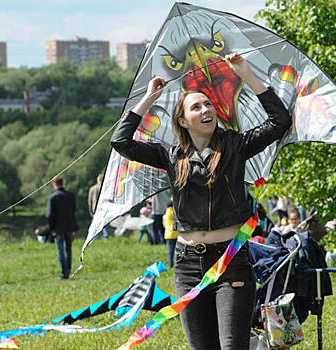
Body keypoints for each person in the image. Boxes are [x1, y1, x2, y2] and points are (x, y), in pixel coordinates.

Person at [111, 53, 291, 350]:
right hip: (187, 264)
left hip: (231, 262)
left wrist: (246, 74)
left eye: (208, 104)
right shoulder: (170, 156)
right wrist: (148, 98)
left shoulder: (235, 145)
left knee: (233, 345)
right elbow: (121, 142)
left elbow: (279, 121)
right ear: (182, 120)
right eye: (197, 107)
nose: (206, 109)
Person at [36, 176, 77, 279]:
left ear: (54, 185)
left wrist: (50, 227)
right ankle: (68, 271)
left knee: (61, 250)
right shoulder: (71, 196)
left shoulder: (52, 198)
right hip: (69, 226)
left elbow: (49, 215)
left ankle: (64, 273)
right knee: (68, 249)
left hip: (58, 228)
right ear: (62, 183)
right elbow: (73, 210)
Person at [88, 173, 111, 240]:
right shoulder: (106, 188)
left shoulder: (92, 188)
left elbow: (90, 201)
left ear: (97, 179)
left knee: (96, 224)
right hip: (105, 208)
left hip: (95, 209)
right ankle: (106, 237)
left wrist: (90, 211)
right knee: (105, 223)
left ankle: (97, 238)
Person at [163, 199, 178, 268]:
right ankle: (178, 264)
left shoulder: (165, 215)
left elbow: (164, 225)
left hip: (168, 235)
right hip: (175, 234)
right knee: (178, 251)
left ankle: (170, 264)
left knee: (170, 252)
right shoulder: (175, 213)